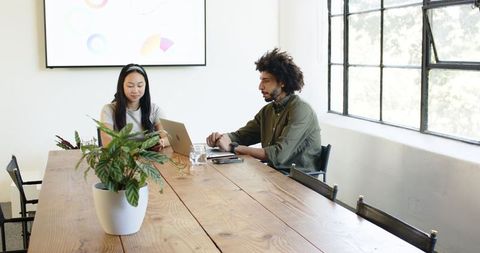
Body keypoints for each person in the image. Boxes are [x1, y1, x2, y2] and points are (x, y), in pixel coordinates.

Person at [206, 48, 322, 172]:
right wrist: (221, 139)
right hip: (273, 175)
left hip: (298, 183)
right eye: (261, 80)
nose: (260, 87)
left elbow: (278, 155)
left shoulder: (301, 110)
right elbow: (243, 136)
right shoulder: (268, 110)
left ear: (282, 82)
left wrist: (232, 147)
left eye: (266, 81)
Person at [100, 63, 169, 149]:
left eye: (140, 85)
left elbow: (168, 137)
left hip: (149, 159)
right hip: (122, 159)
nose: (135, 90)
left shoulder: (154, 109)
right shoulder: (109, 110)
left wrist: (161, 142)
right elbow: (107, 142)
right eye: (130, 86)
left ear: (146, 86)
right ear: (122, 86)